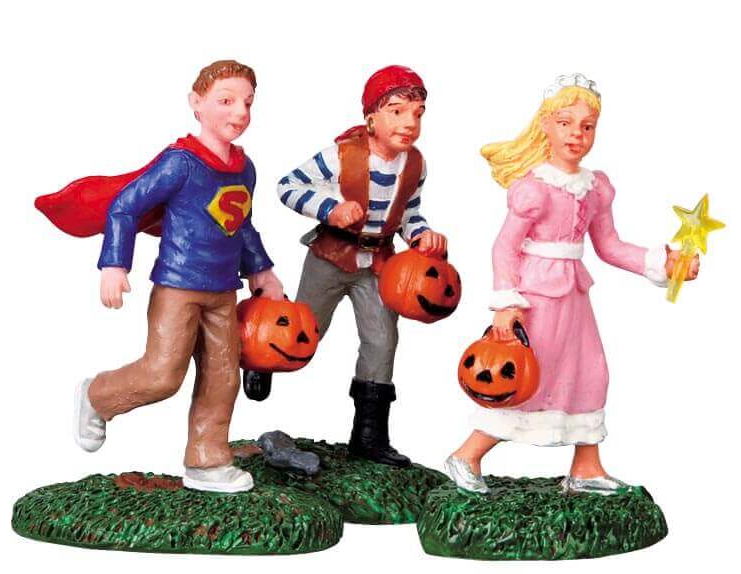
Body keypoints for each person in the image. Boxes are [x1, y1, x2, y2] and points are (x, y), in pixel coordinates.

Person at [444, 74, 699, 494]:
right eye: (565, 123)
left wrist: (663, 263)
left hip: (575, 296)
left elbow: (610, 246)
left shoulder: (595, 189)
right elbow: (504, 247)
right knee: (527, 377)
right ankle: (466, 455)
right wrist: (506, 303)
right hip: (535, 298)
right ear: (545, 125)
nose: (576, 134)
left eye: (587, 126)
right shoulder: (534, 189)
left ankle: (586, 467)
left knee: (589, 371)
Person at [36, 60, 283, 493]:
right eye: (226, 101)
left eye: (247, 102)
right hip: (178, 286)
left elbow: (240, 223)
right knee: (162, 374)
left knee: (223, 375)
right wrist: (114, 264)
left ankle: (207, 460)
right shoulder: (180, 163)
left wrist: (261, 269)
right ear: (196, 103)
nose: (239, 112)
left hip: (224, 290)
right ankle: (97, 396)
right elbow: (125, 206)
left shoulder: (244, 169)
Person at [277, 66, 447, 467]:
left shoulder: (414, 165)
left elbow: (408, 214)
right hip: (331, 257)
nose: (410, 122)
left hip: (379, 264)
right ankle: (260, 362)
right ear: (372, 116)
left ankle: (369, 436)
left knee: (382, 341)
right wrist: (330, 209)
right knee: (303, 332)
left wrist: (422, 235)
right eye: (397, 111)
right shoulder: (341, 156)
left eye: (418, 113)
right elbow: (287, 186)